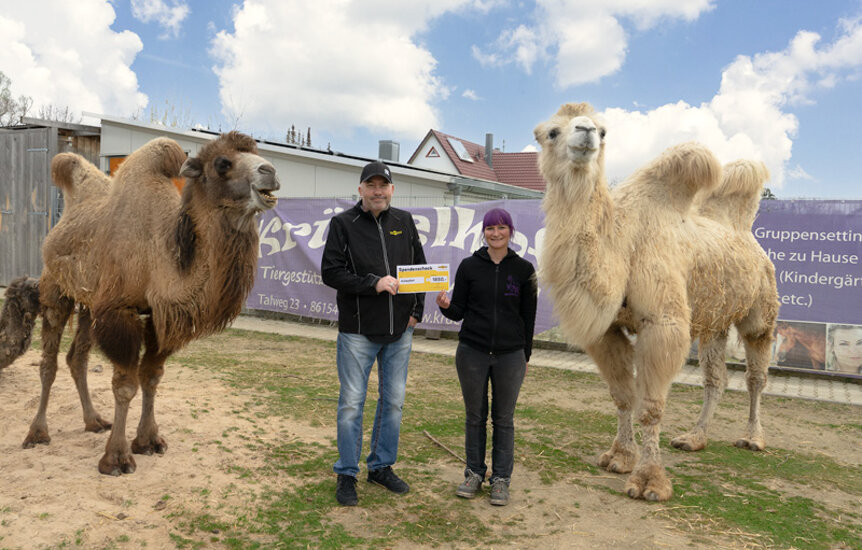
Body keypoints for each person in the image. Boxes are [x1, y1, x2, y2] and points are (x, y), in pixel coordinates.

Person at [321, 160, 426, 506]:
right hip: (358, 333)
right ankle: (347, 473)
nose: (378, 191)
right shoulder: (342, 224)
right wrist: (373, 283)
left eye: (384, 186)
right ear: (361, 189)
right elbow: (331, 272)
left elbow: (419, 269)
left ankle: (380, 467)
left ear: (392, 190)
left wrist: (416, 312)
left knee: (393, 403)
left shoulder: (404, 221)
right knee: (352, 404)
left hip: (400, 333)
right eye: (372, 185)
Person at [435, 207, 537, 506]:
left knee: (503, 419)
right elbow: (458, 313)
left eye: (501, 227)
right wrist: (444, 305)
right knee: (475, 416)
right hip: (472, 352)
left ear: (511, 232)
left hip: (510, 356)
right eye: (490, 228)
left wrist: (525, 357)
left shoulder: (524, 270)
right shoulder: (469, 266)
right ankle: (474, 473)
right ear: (484, 232)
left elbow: (528, 319)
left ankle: (501, 479)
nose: (495, 233)